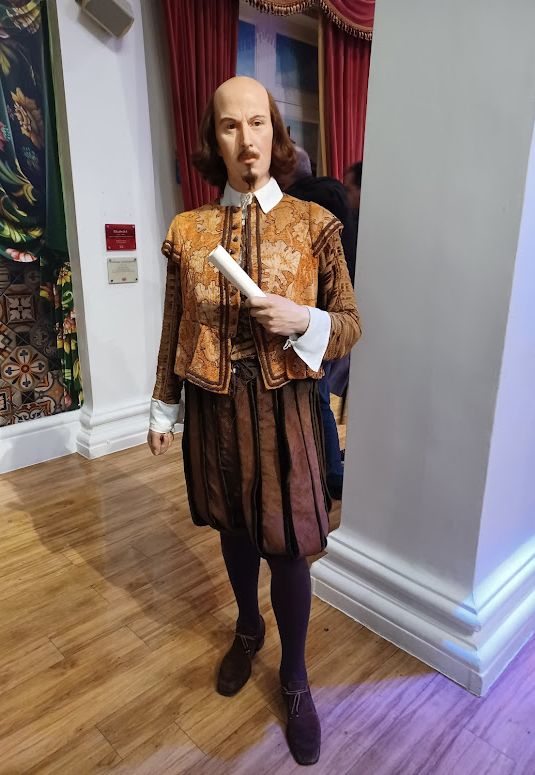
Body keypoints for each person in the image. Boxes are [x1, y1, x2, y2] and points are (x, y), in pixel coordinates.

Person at [147, 76, 360, 766]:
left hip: (283, 408)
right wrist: (163, 406)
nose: (247, 139)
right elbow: (173, 326)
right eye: (230, 126)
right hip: (213, 406)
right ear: (214, 140)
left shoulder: (314, 224)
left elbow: (350, 324)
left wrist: (303, 319)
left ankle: (294, 676)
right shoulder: (187, 232)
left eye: (259, 123)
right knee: (233, 528)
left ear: (276, 132)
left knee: (289, 545)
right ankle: (247, 627)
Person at [280, 146, 357, 499]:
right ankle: (327, 468)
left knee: (316, 399)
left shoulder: (298, 208)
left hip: (308, 316)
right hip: (334, 314)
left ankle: (329, 473)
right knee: (319, 396)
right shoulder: (337, 200)